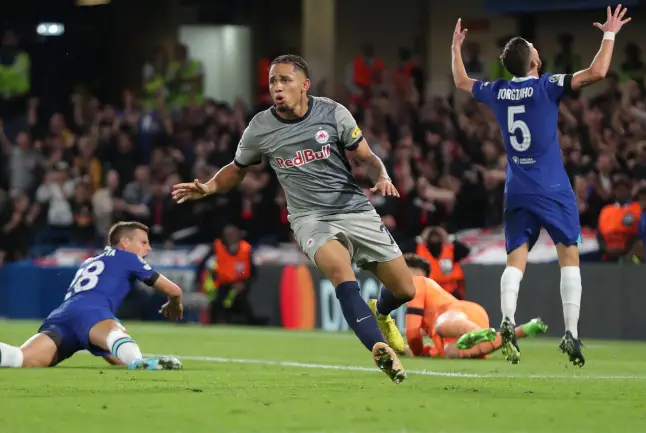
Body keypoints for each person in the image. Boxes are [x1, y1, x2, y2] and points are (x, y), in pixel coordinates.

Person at [172, 54, 416, 384]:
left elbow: (366, 157)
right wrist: (211, 186)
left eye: (285, 80)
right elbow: (237, 168)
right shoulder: (260, 127)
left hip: (354, 209)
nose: (277, 87)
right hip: (309, 218)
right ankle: (378, 348)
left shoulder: (332, 112)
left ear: (304, 85)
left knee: (405, 289)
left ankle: (381, 311)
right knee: (342, 274)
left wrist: (382, 174)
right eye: (273, 81)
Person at [450, 5, 632, 366]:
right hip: (552, 187)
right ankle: (571, 333)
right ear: (532, 62)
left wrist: (455, 48)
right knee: (569, 257)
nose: (537, 49)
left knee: (515, 260)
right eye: (534, 47)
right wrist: (609, 33)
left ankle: (506, 320)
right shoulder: (547, 85)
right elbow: (598, 72)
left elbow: (460, 81)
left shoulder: (498, 91)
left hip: (517, 188)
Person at [0, 221, 184, 370]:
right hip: (91, 312)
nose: (149, 248)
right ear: (125, 242)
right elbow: (174, 290)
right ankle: (139, 363)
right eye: (143, 242)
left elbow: (110, 353)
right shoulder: (128, 258)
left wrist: (123, 356)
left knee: (20, 358)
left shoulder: (90, 261)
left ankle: (135, 360)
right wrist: (175, 303)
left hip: (63, 315)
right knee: (115, 331)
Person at [402, 254, 547, 359]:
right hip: (466, 320)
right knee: (450, 351)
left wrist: (417, 351)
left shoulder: (417, 282)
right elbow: (419, 339)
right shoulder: (427, 291)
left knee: (441, 325)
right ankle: (522, 330)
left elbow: (412, 332)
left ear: (415, 271)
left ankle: (478, 332)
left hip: (459, 314)